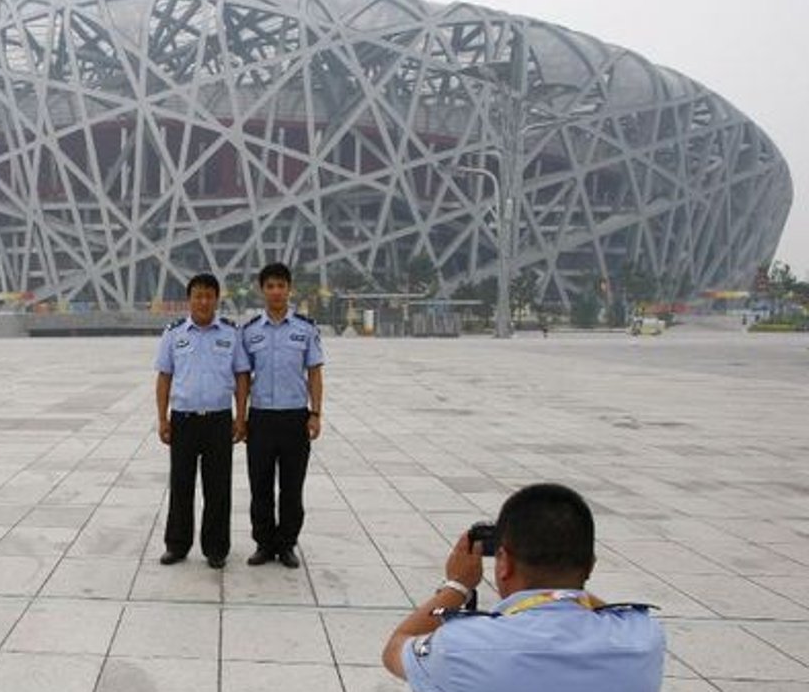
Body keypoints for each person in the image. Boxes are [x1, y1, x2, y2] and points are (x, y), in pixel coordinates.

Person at [382, 483, 664, 692]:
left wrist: (456, 585)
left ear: (503, 563)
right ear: (590, 565)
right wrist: (567, 583)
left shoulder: (459, 646)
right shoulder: (643, 637)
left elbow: (396, 648)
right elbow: (606, 613)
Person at [154, 273, 249, 569]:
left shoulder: (231, 334)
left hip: (219, 421)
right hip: (183, 420)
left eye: (209, 295)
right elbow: (164, 377)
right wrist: (162, 418)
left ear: (216, 299)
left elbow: (242, 376)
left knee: (218, 488)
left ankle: (216, 549)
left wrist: (241, 417)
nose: (204, 301)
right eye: (198, 295)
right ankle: (177, 545)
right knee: (181, 485)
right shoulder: (174, 333)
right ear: (190, 299)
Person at [241, 262, 324, 569]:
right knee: (260, 485)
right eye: (270, 286)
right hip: (261, 418)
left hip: (294, 418)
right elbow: (242, 378)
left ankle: (287, 544)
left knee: (292, 487)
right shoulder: (249, 332)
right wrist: (241, 418)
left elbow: (314, 373)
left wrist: (315, 413)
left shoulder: (305, 329)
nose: (276, 291)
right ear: (262, 290)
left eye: (281, 285)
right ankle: (264, 544)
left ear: (289, 289)